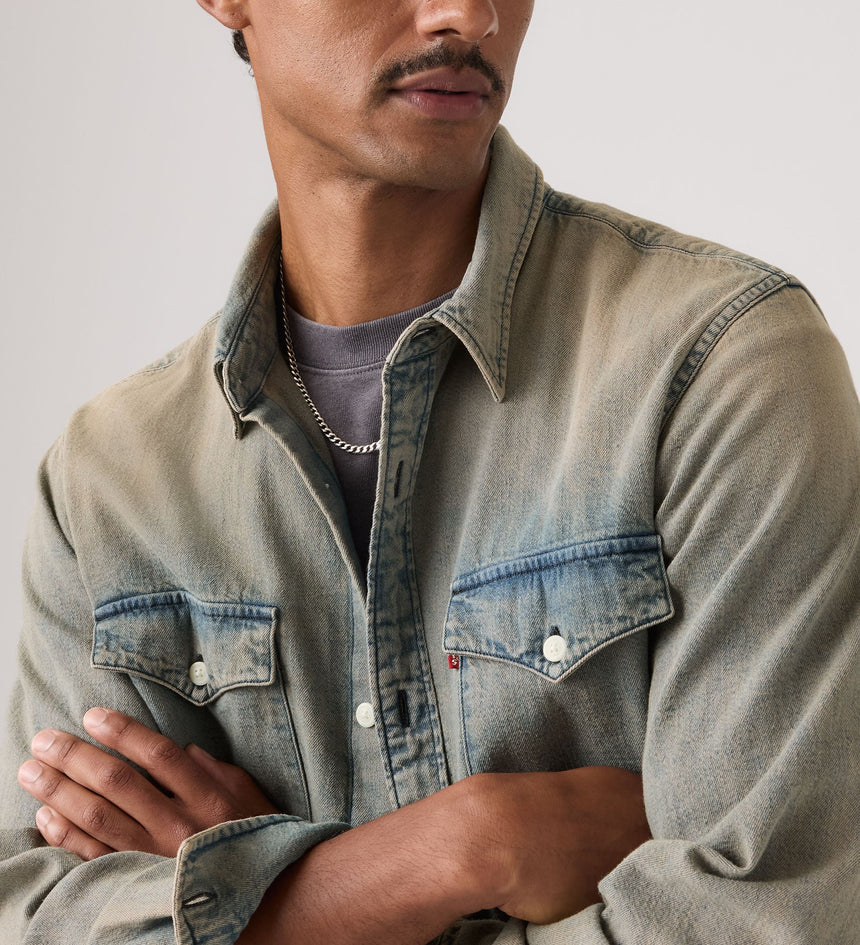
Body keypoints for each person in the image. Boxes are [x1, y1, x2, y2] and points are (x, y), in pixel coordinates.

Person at [1, 0, 859, 942]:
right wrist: (470, 845)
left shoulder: (717, 371)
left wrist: (265, 909)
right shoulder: (108, 484)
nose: (470, 14)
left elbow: (760, 918)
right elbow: (37, 912)